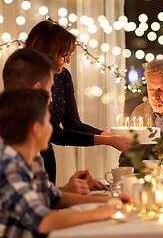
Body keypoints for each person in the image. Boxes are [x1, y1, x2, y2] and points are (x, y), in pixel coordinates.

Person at [0, 89, 129, 238]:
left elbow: (53, 197)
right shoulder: (10, 165)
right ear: (36, 129)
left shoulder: (32, 161)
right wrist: (99, 212)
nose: (53, 130)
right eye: (49, 122)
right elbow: (44, 221)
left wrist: (108, 200)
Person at [25, 20, 131, 183]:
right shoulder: (28, 82)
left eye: (69, 55)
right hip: (31, 160)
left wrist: (111, 137)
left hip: (47, 160)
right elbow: (56, 135)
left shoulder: (62, 76)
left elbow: (73, 124)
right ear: (46, 53)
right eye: (64, 55)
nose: (68, 61)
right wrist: (109, 141)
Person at [2, 48, 106, 194]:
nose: (52, 96)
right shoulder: (11, 158)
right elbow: (42, 215)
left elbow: (46, 197)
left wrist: (69, 190)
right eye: (50, 88)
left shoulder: (35, 157)